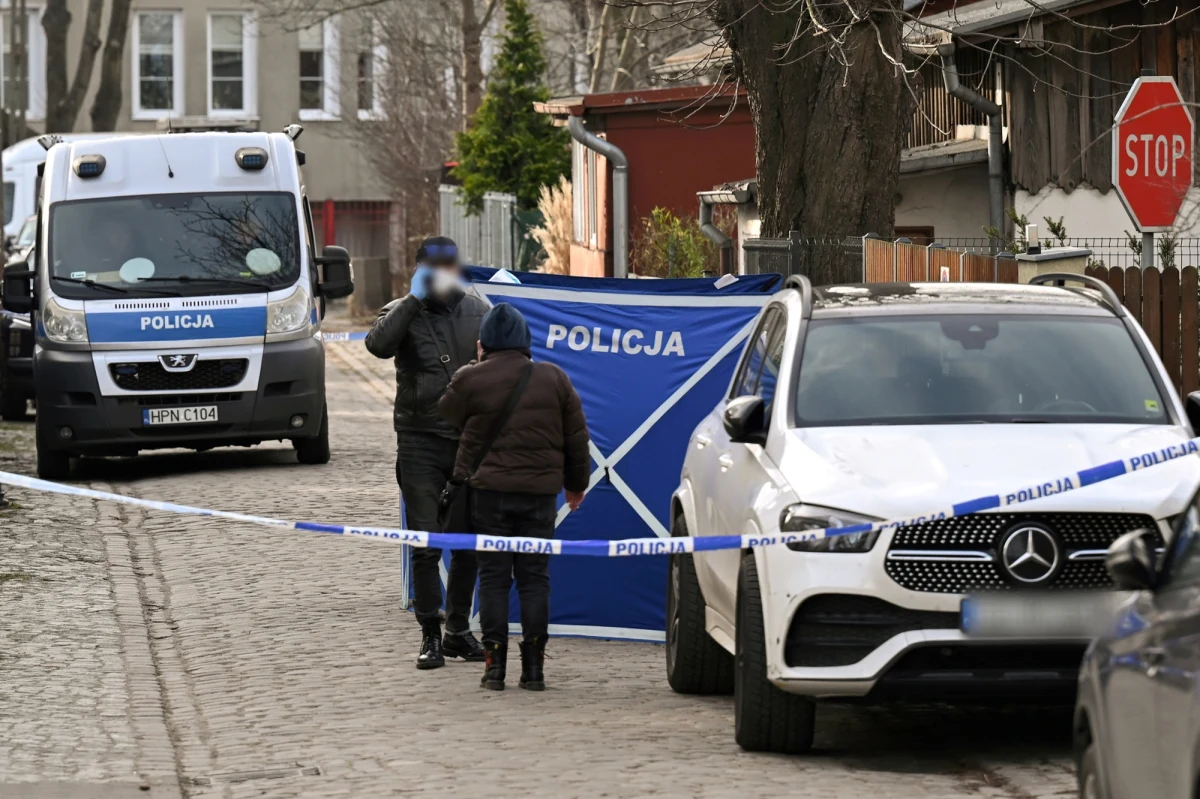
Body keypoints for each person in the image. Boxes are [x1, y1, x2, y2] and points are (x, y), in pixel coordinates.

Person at [438, 303, 590, 691]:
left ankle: (493, 667)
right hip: (540, 497)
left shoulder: (472, 380)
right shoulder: (554, 378)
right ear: (526, 343)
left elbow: (448, 412)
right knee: (534, 579)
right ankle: (535, 669)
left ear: (483, 344)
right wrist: (576, 485)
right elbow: (577, 439)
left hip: (489, 496)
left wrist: (473, 366)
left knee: (492, 578)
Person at [365, 236, 489, 669]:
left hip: (466, 443)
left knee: (468, 544)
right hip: (419, 441)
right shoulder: (402, 310)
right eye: (431, 269)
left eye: (448, 268)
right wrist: (414, 300)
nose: (442, 276)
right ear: (418, 270)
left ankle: (458, 631)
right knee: (425, 543)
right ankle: (429, 635)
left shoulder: (479, 311)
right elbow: (378, 345)